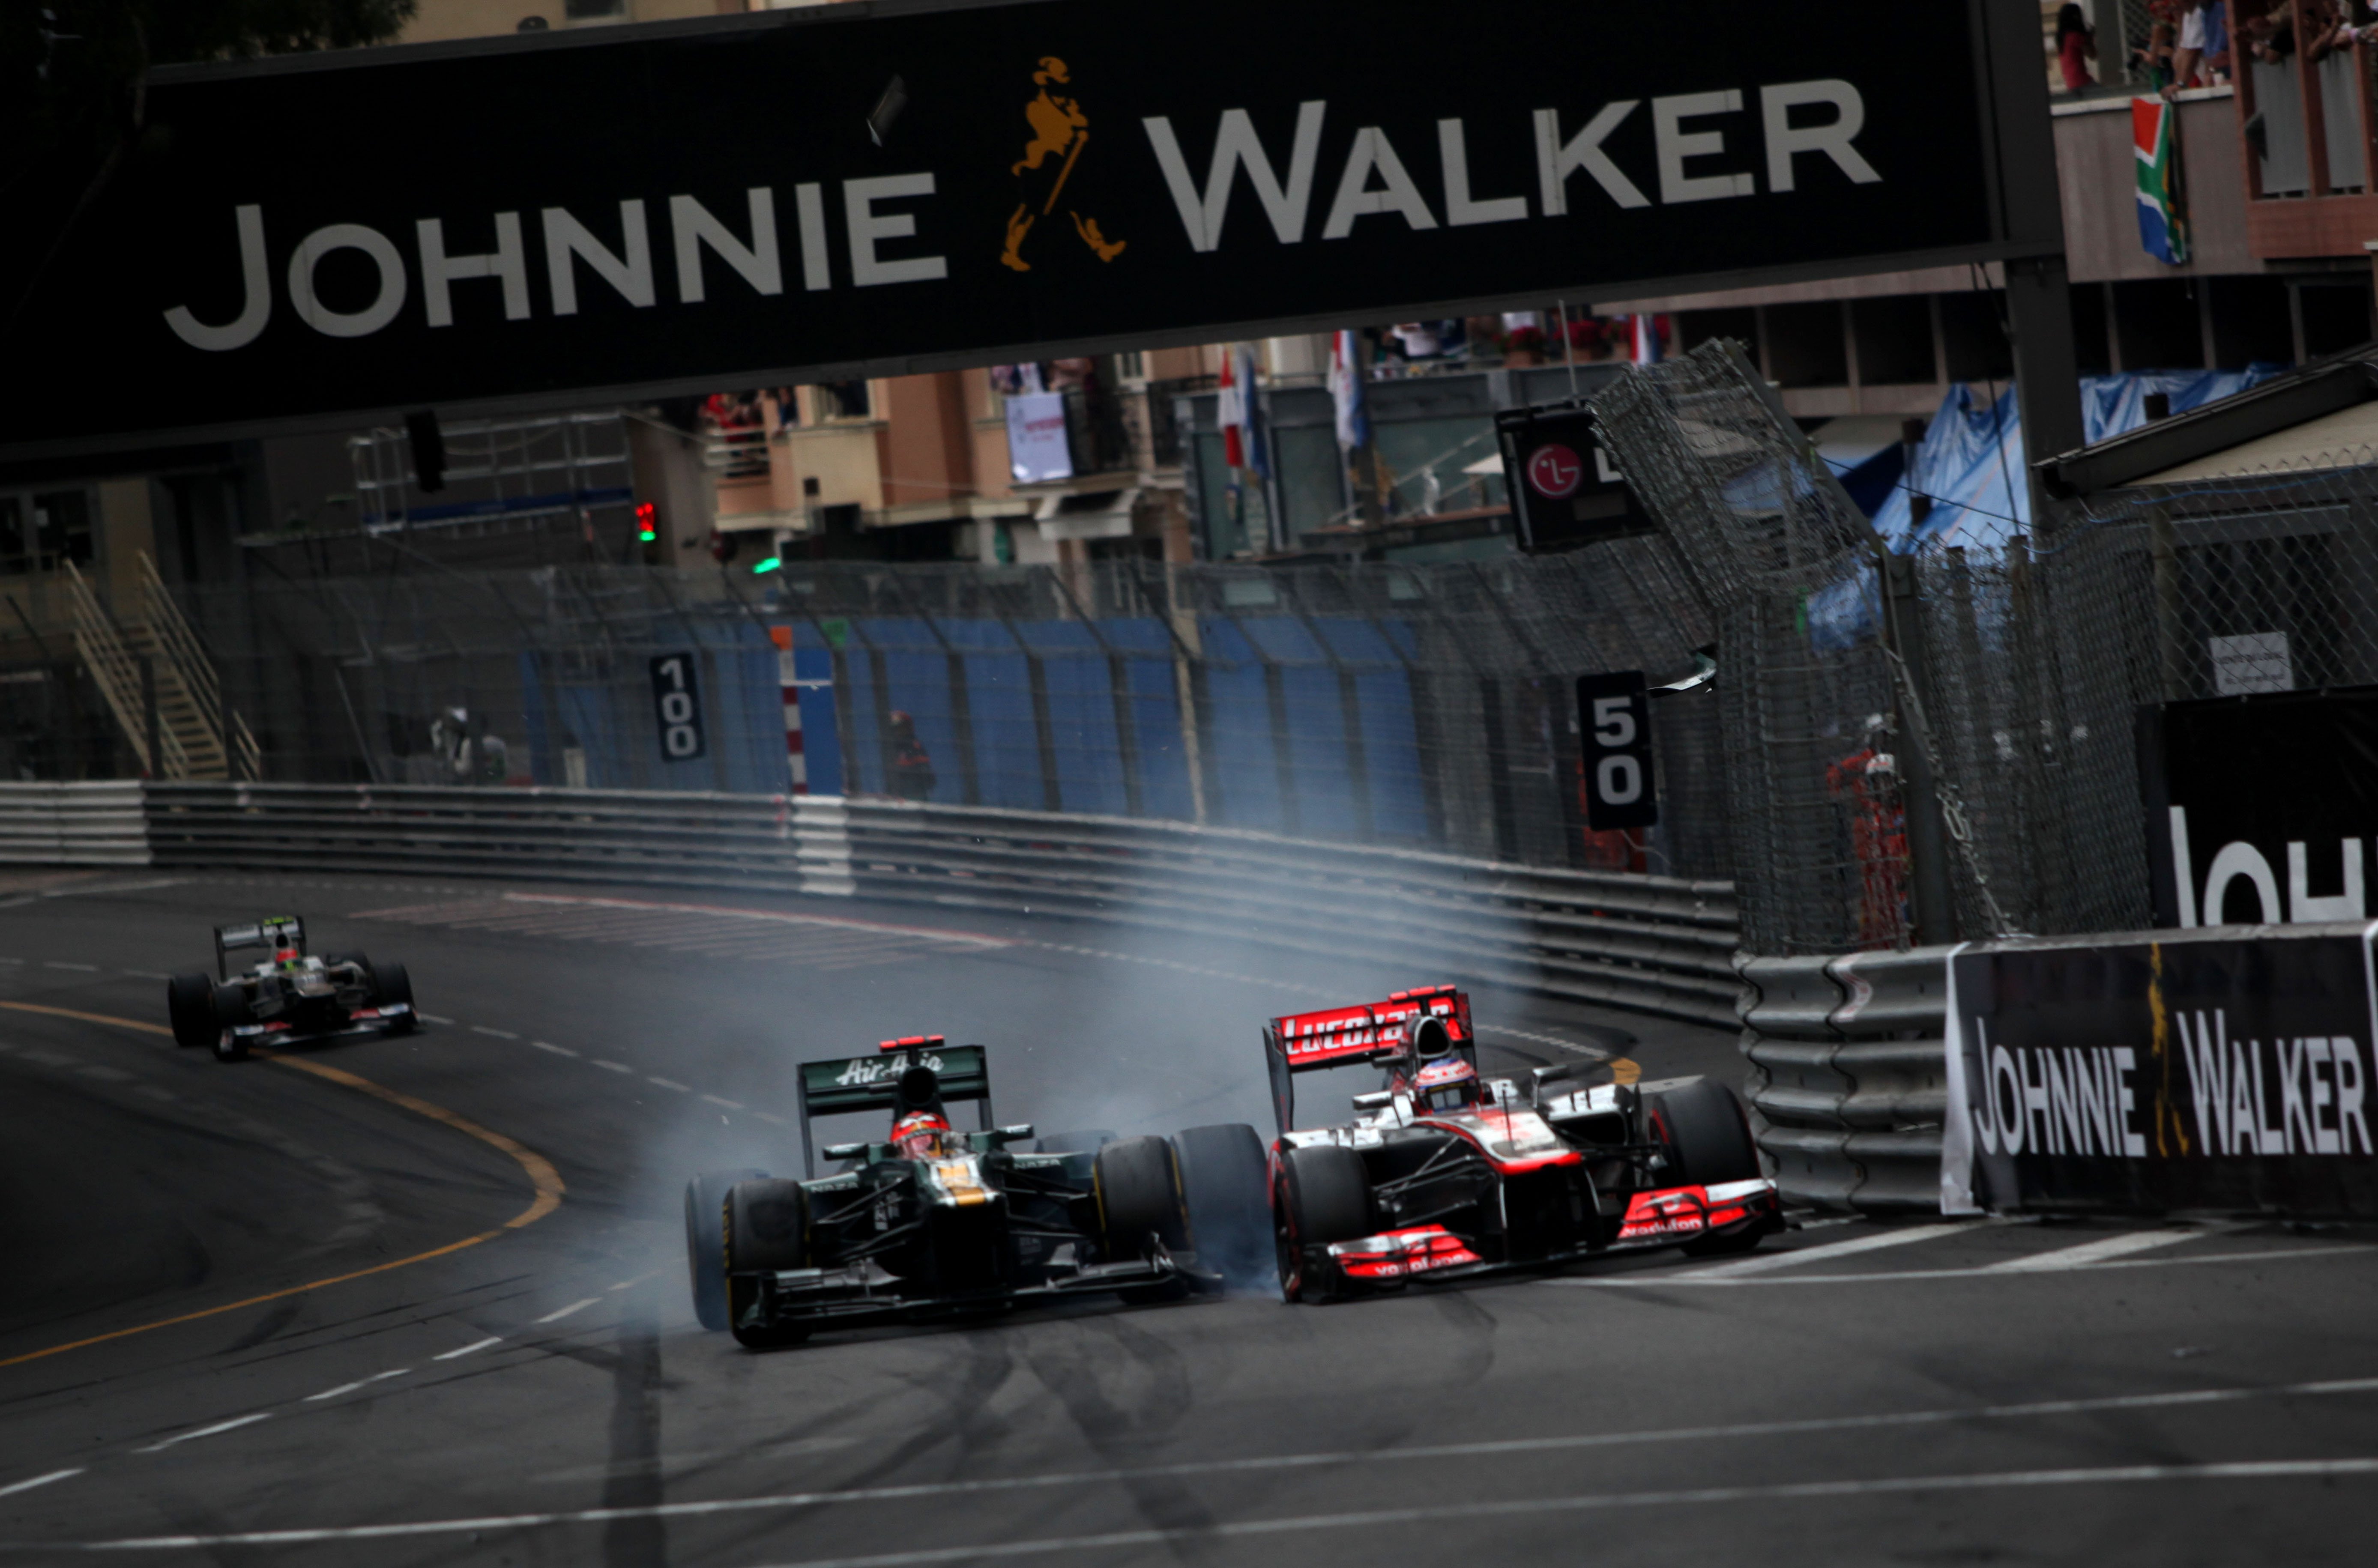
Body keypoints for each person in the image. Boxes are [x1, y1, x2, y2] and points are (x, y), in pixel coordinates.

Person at [887, 710, 936, 801]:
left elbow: (926, 776)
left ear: (908, 728)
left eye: (900, 728)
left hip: (914, 800)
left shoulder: (915, 747)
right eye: (894, 729)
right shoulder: (891, 749)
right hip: (896, 800)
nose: (897, 732)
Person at [2056, 4, 2097, 90]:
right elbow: (2092, 55)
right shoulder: (2074, 36)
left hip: (2071, 82)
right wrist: (2091, 39)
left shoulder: (2064, 38)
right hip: (2081, 80)